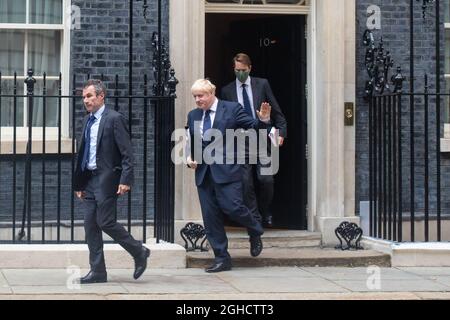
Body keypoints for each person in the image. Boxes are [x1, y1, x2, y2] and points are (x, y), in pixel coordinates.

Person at [186, 79, 271, 273]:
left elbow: (253, 126)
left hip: (228, 170)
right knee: (210, 217)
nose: (198, 100)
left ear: (212, 93)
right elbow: (192, 141)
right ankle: (222, 258)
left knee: (233, 208)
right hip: (204, 174)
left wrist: (264, 120)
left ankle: (254, 229)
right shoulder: (193, 115)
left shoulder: (231, 109)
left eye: (201, 95)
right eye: (195, 96)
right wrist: (190, 157)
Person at [73, 79, 150, 284]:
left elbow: (127, 153)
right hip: (88, 180)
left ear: (101, 96)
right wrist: (79, 184)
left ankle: (139, 251)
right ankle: (98, 271)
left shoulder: (114, 119)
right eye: (84, 98)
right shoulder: (87, 120)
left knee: (105, 221)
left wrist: (126, 179)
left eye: (89, 96)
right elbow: (83, 154)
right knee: (90, 226)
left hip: (106, 179)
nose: (86, 101)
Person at [221, 53, 287, 228]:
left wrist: (281, 132)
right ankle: (255, 218)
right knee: (245, 183)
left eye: (243, 70)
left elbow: (276, 111)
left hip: (261, 138)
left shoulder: (262, 84)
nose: (240, 73)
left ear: (250, 68)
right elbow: (224, 118)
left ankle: (265, 210)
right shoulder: (227, 91)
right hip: (239, 141)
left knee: (266, 180)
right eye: (237, 70)